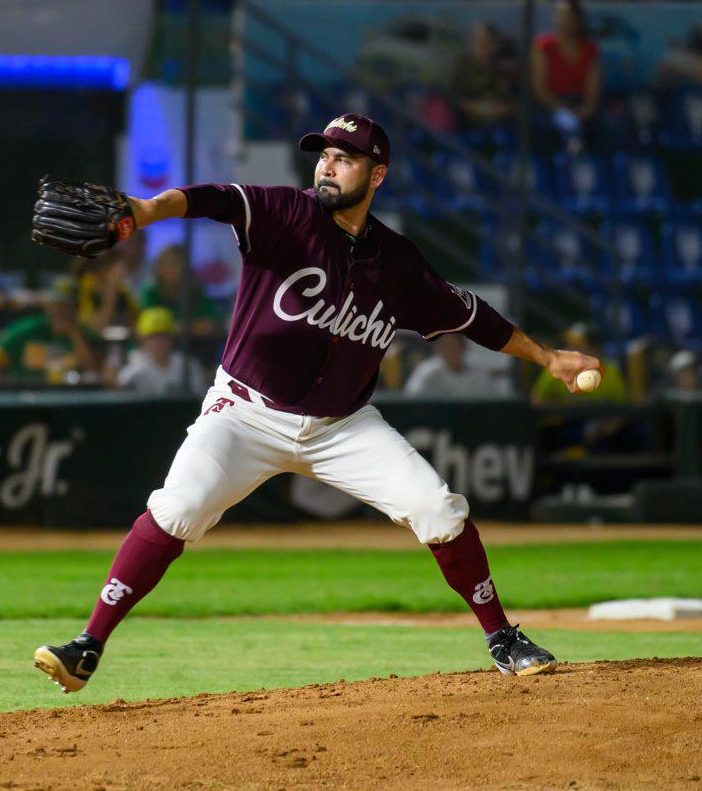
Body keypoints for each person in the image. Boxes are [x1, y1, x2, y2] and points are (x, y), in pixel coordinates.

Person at [32, 112, 602, 693]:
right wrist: (149, 210)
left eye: (344, 157)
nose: (327, 165)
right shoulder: (286, 212)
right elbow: (218, 198)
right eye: (323, 155)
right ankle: (87, 646)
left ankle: (502, 638)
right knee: (178, 509)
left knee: (439, 508)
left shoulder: (399, 262)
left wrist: (548, 358)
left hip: (343, 426)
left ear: (376, 175)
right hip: (245, 413)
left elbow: (471, 316)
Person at [0, 276, 98, 385]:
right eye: (56, 304)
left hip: (69, 398)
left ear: (76, 309)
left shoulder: (85, 334)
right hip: (24, 395)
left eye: (67, 305)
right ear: (48, 306)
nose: (61, 311)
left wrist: (74, 333)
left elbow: (93, 369)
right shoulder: (28, 329)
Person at [531, 0, 601, 151]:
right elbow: (540, 89)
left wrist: (585, 110)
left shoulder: (590, 49)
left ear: (578, 19)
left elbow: (592, 93)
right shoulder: (543, 46)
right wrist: (564, 110)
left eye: (568, 16)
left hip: (579, 103)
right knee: (567, 126)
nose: (563, 21)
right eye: (559, 15)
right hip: (551, 105)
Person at [138, 244, 221, 337]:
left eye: (175, 263)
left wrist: (178, 327)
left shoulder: (194, 290)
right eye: (165, 263)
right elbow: (150, 325)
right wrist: (184, 327)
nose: (170, 269)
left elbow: (211, 324)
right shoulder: (151, 291)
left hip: (193, 345)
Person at [116, 308, 204, 394]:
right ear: (142, 339)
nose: (157, 342)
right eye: (152, 337)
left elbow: (199, 397)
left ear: (171, 338)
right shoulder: (137, 365)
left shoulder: (187, 364)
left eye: (163, 336)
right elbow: (119, 386)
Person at [452, 21, 518, 130]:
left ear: (494, 44)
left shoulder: (506, 69)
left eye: (484, 41)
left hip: (502, 124)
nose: (479, 46)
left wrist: (502, 109)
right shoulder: (462, 67)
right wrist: (483, 109)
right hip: (468, 125)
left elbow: (515, 101)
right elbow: (456, 99)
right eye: (475, 41)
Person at [404, 334, 513, 397]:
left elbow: (493, 404)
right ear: (438, 350)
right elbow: (411, 401)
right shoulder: (426, 372)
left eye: (454, 347)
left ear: (463, 347)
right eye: (446, 347)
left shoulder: (480, 373)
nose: (451, 351)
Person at [77, 251, 141, 334]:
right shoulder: (87, 284)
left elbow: (138, 324)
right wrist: (111, 288)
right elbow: (99, 326)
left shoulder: (123, 289)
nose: (104, 270)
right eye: (98, 263)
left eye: (109, 262)